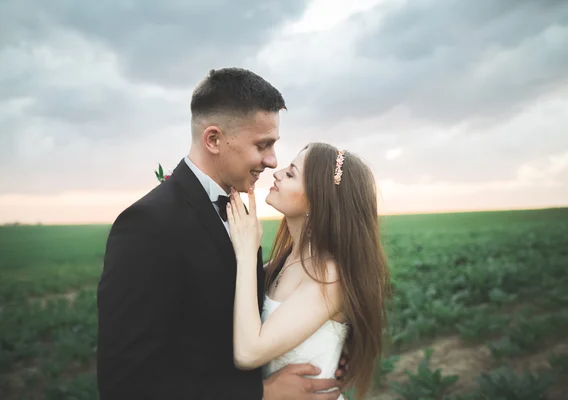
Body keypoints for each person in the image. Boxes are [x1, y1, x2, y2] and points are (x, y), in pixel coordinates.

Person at [96, 68, 346, 400]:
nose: (272, 161)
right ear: (213, 139)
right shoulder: (147, 226)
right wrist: (261, 393)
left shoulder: (240, 213)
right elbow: (126, 383)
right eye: (262, 145)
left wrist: (324, 346)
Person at [226, 142, 392, 400]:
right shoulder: (285, 260)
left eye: (291, 173)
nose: (277, 173)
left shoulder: (328, 276)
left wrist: (247, 251)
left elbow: (249, 352)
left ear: (318, 201)